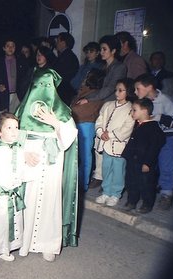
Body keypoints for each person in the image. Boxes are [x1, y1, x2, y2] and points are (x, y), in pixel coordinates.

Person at [15, 46, 78, 262]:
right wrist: (22, 154)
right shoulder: (23, 111)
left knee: (50, 199)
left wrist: (55, 124)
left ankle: (48, 243)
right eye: (38, 85)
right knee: (29, 199)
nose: (43, 89)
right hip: (31, 159)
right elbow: (13, 136)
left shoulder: (62, 112)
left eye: (47, 85)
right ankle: (25, 242)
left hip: (52, 161)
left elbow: (70, 138)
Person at [75, 35, 127, 190]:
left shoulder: (119, 67)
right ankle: (98, 175)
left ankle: (108, 180)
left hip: (112, 108)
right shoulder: (103, 67)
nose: (101, 52)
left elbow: (109, 88)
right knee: (98, 143)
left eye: (104, 49)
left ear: (114, 50)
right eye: (101, 49)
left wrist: (88, 99)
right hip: (101, 107)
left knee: (108, 144)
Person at [0, 112, 33, 262]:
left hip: (13, 194)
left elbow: (22, 171)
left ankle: (5, 249)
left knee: (10, 223)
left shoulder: (18, 150)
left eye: (16, 128)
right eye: (9, 127)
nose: (14, 131)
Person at [134, 73, 173, 210]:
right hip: (150, 138)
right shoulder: (142, 102)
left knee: (167, 164)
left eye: (138, 88)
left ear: (149, 87)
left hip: (167, 138)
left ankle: (167, 194)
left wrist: (158, 117)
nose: (135, 91)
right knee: (150, 164)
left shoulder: (166, 101)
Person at [94, 78, 136, 206]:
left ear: (128, 92)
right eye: (116, 90)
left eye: (120, 90)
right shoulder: (107, 105)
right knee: (106, 169)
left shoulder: (130, 109)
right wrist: (101, 133)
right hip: (105, 144)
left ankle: (116, 194)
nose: (117, 93)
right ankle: (106, 191)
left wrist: (110, 135)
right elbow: (99, 120)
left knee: (118, 171)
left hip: (119, 147)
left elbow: (127, 128)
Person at [122, 99, 166, 213]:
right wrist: (127, 155)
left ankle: (147, 203)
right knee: (131, 182)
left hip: (144, 162)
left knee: (146, 184)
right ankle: (132, 201)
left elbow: (154, 147)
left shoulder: (153, 127)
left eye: (134, 110)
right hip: (133, 161)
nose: (132, 113)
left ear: (145, 111)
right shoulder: (138, 125)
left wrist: (148, 163)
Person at [70, 68, 106, 191]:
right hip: (78, 124)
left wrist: (69, 111)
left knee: (85, 156)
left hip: (86, 125)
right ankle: (77, 182)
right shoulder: (84, 92)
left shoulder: (95, 94)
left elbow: (78, 110)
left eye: (87, 76)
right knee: (78, 156)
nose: (84, 78)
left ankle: (83, 184)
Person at [0, 38, 29, 112]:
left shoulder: (21, 62)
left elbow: (25, 78)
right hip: (3, 96)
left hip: (17, 96)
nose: (10, 48)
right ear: (4, 48)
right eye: (8, 46)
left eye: (13, 46)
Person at [53, 32, 80, 105]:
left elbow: (60, 74)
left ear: (63, 43)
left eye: (58, 41)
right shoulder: (66, 55)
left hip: (64, 93)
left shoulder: (67, 57)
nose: (56, 43)